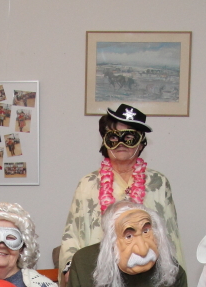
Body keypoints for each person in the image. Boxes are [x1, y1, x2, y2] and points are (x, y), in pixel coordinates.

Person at [58, 104, 183, 276]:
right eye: (114, 137)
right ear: (105, 141)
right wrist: (70, 269)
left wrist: (173, 275)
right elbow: (72, 233)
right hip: (98, 273)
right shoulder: (88, 183)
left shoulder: (158, 182)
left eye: (129, 137)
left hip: (148, 272)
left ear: (141, 144)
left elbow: (171, 236)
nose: (121, 143)